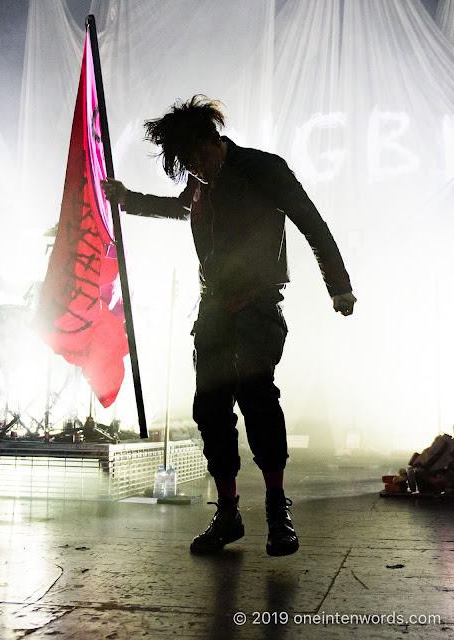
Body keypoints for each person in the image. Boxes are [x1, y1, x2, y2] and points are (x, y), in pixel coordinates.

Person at [102, 95, 356, 556]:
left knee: (257, 396)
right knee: (211, 408)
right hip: (214, 309)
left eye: (198, 158)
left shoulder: (262, 169)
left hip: (259, 304)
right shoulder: (200, 185)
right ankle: (228, 513)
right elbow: (177, 207)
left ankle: (277, 509)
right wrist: (128, 201)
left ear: (214, 141)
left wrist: (338, 286)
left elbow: (311, 222)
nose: (196, 170)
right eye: (186, 165)